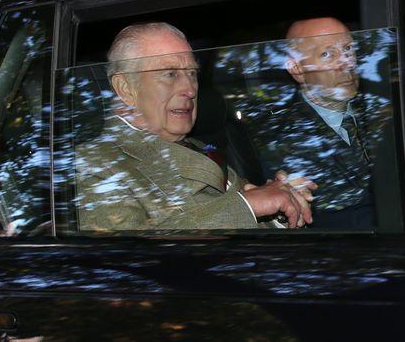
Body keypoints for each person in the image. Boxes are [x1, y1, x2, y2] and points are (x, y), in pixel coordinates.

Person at [76, 22, 317, 230]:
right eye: (170, 74)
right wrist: (249, 205)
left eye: (192, 74)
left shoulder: (202, 147)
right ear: (126, 88)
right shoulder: (95, 163)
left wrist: (283, 201)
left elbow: (246, 211)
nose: (190, 90)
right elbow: (127, 258)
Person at [253, 17, 378, 228]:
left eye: (348, 49)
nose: (346, 63)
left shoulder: (384, 108)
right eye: (327, 54)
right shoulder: (278, 140)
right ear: (297, 69)